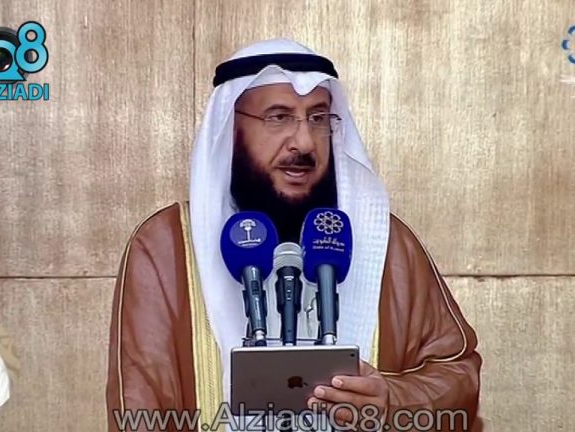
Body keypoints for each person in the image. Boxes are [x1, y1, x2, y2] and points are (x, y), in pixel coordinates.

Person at [106, 39, 482, 431]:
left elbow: (458, 374)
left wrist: (393, 400)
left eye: (318, 118)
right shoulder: (166, 247)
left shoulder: (387, 245)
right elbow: (139, 409)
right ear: (231, 129)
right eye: (278, 117)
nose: (303, 142)